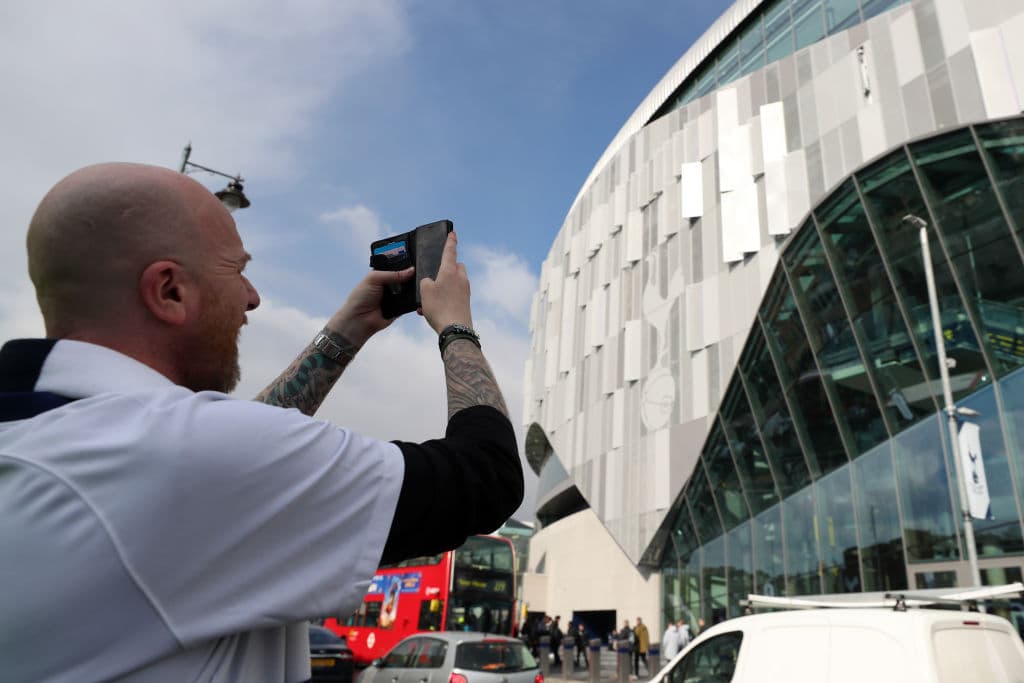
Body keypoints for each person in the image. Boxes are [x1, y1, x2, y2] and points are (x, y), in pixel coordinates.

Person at [0, 162, 523, 682]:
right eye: (236, 270)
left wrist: (348, 331)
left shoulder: (48, 433)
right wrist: (456, 326)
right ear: (169, 291)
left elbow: (238, 441)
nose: (252, 297)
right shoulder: (179, 452)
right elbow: (487, 476)